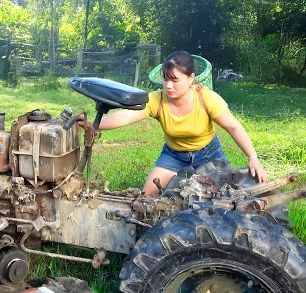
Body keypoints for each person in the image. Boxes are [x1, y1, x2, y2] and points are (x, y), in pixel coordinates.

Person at [98, 50, 268, 196]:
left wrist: (253, 157)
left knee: (223, 198)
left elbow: (234, 126)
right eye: (165, 79)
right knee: (146, 198)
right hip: (173, 156)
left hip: (209, 154)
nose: (168, 85)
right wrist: (94, 124)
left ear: (190, 78)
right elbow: (126, 116)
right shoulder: (157, 99)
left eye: (175, 80)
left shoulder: (206, 98)